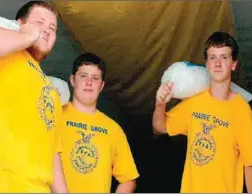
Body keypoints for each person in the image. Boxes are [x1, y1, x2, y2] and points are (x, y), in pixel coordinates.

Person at [0, 1, 68, 192]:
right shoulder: (3, 56)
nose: (47, 30)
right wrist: (28, 34)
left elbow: (53, 153)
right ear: (19, 23)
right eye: (40, 22)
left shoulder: (51, 90)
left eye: (52, 27)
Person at [152, 31, 252, 193]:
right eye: (212, 57)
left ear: (233, 64)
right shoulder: (193, 103)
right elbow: (159, 128)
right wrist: (160, 104)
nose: (218, 63)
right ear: (206, 64)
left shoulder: (242, 110)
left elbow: (249, 163)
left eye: (224, 57)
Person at [59, 52, 139, 192]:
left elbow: (128, 179)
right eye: (83, 76)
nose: (89, 82)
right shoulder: (54, 116)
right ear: (72, 80)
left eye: (95, 78)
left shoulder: (113, 129)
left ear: (101, 86)